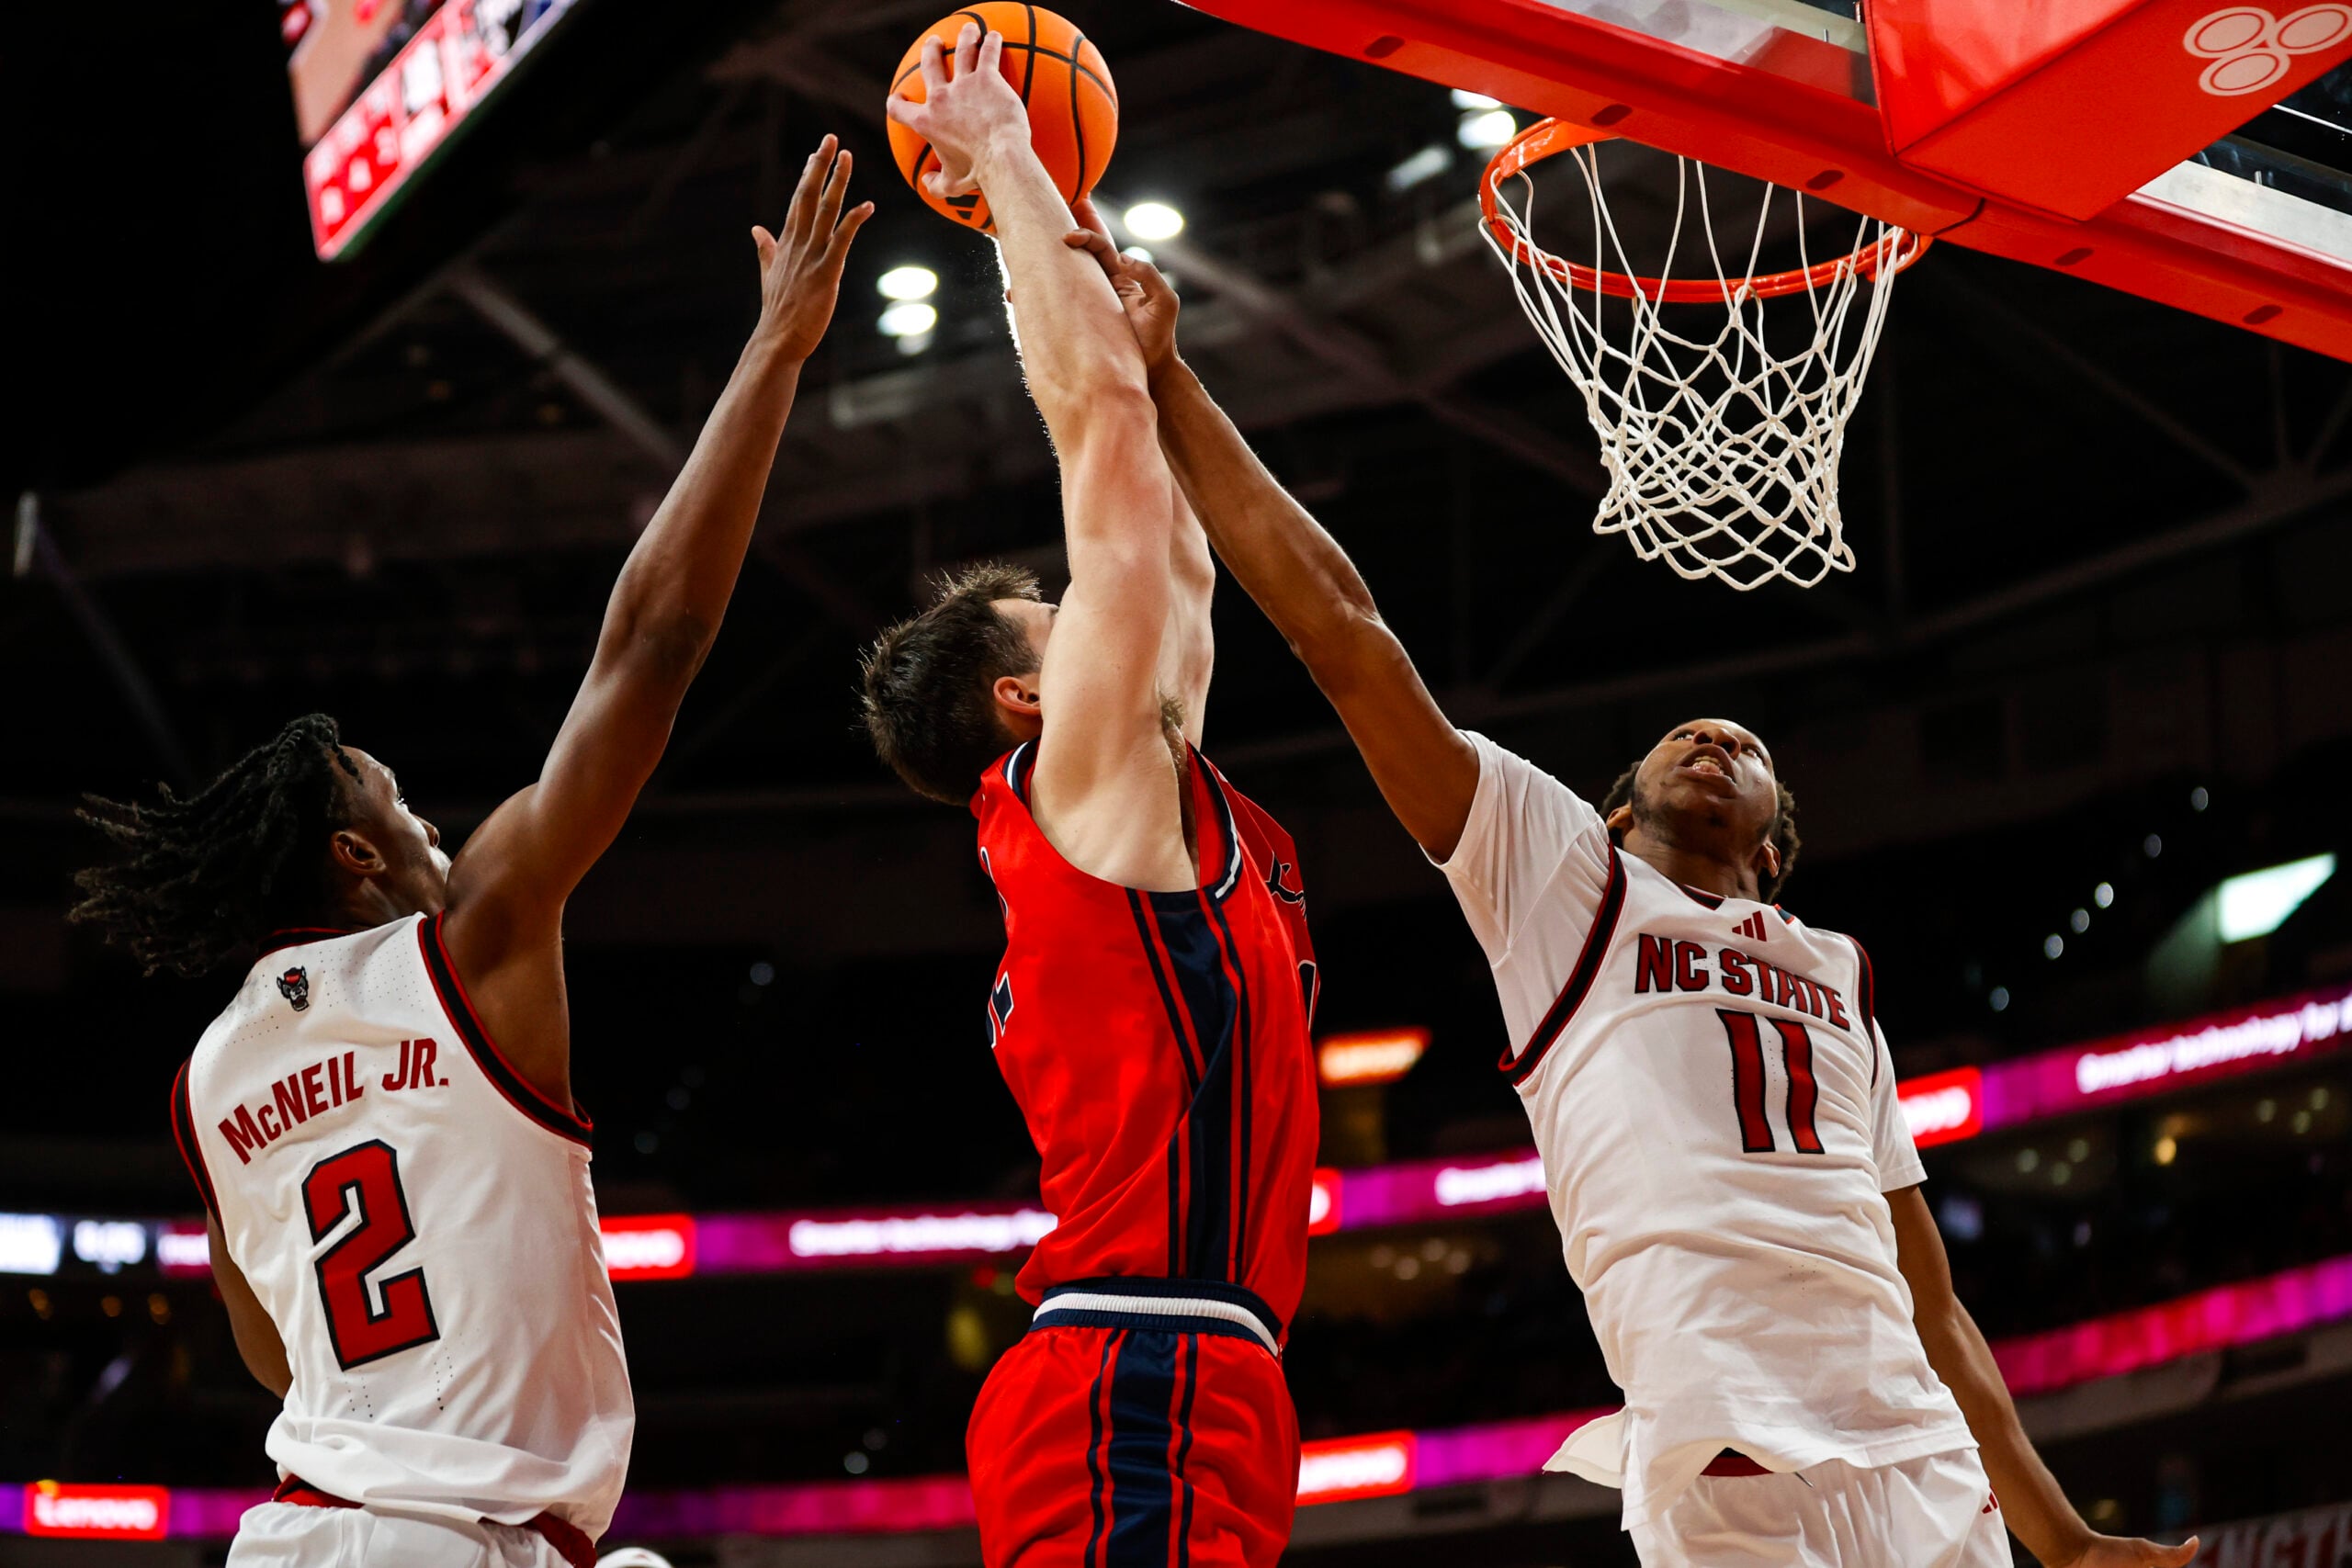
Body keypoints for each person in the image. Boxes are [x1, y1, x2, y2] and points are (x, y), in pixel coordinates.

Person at [1056, 230, 2200, 1568]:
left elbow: (1934, 1299)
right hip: (1721, 1435)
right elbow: (1347, 637)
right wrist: (1174, 380)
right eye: (1685, 736)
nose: (1717, 740)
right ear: (1613, 808)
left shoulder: (1840, 971)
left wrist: (2056, 1532)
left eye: (1750, 749)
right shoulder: (1560, 881)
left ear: (1776, 848)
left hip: (1921, 1455)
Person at [71, 139, 872, 1568]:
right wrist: (774, 356)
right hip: (453, 1545)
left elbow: (272, 1354)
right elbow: (653, 645)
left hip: (305, 1534)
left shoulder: (207, 1082)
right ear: (353, 856)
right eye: (399, 804)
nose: (435, 823)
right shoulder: (474, 942)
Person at [866, 27, 1317, 1568]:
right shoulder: (1071, 785)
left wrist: (1078, 275)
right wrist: (1004, 158)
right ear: (1024, 701)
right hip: (1139, 1361)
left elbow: (1175, 556)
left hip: (1184, 1365)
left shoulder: (1128, 789)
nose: (1096, 604)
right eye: (1060, 614)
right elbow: (1109, 457)